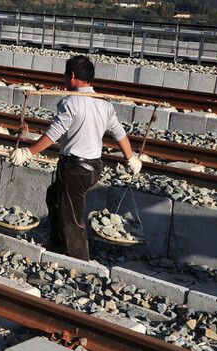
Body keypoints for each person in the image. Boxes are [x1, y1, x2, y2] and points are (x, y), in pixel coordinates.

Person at [11, 55, 142, 260]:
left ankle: (78, 261)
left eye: (65, 75)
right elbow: (119, 133)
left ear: (72, 76)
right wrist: (131, 158)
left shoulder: (70, 103)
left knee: (73, 217)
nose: (64, 80)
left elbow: (53, 134)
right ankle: (56, 245)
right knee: (54, 196)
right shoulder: (104, 104)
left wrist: (28, 153)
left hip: (75, 169)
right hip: (93, 168)